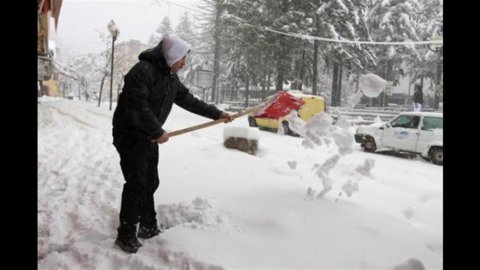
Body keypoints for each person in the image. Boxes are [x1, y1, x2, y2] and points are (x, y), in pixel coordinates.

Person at [111, 34, 233, 253]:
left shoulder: (171, 78)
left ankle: (147, 225)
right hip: (129, 135)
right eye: (182, 58)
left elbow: (189, 101)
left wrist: (217, 114)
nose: (184, 63)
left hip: (149, 135)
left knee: (150, 182)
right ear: (171, 56)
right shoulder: (142, 72)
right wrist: (157, 130)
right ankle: (126, 233)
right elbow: (136, 106)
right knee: (137, 183)